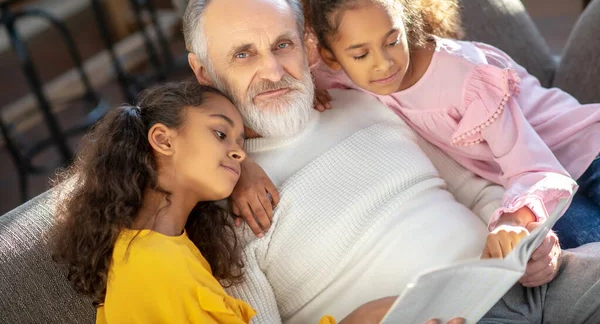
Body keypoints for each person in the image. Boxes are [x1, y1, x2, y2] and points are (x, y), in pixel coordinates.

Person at [182, 0, 600, 324]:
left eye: (282, 45)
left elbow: (472, 187)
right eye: (243, 54)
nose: (273, 71)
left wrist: (522, 239)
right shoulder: (216, 192)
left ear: (308, 46)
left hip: (515, 279)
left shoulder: (363, 94)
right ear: (202, 71)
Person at [293, 0, 600, 250]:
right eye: (361, 54)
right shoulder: (338, 71)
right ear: (330, 57)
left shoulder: (466, 80)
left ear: (407, 22)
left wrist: (512, 221)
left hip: (581, 152)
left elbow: (535, 168)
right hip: (542, 188)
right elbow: (285, 82)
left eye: (392, 41)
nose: (383, 63)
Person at [49, 81, 392, 324]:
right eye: (220, 133)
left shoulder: (154, 248)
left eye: (241, 141)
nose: (239, 152)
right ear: (162, 140)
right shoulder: (159, 267)